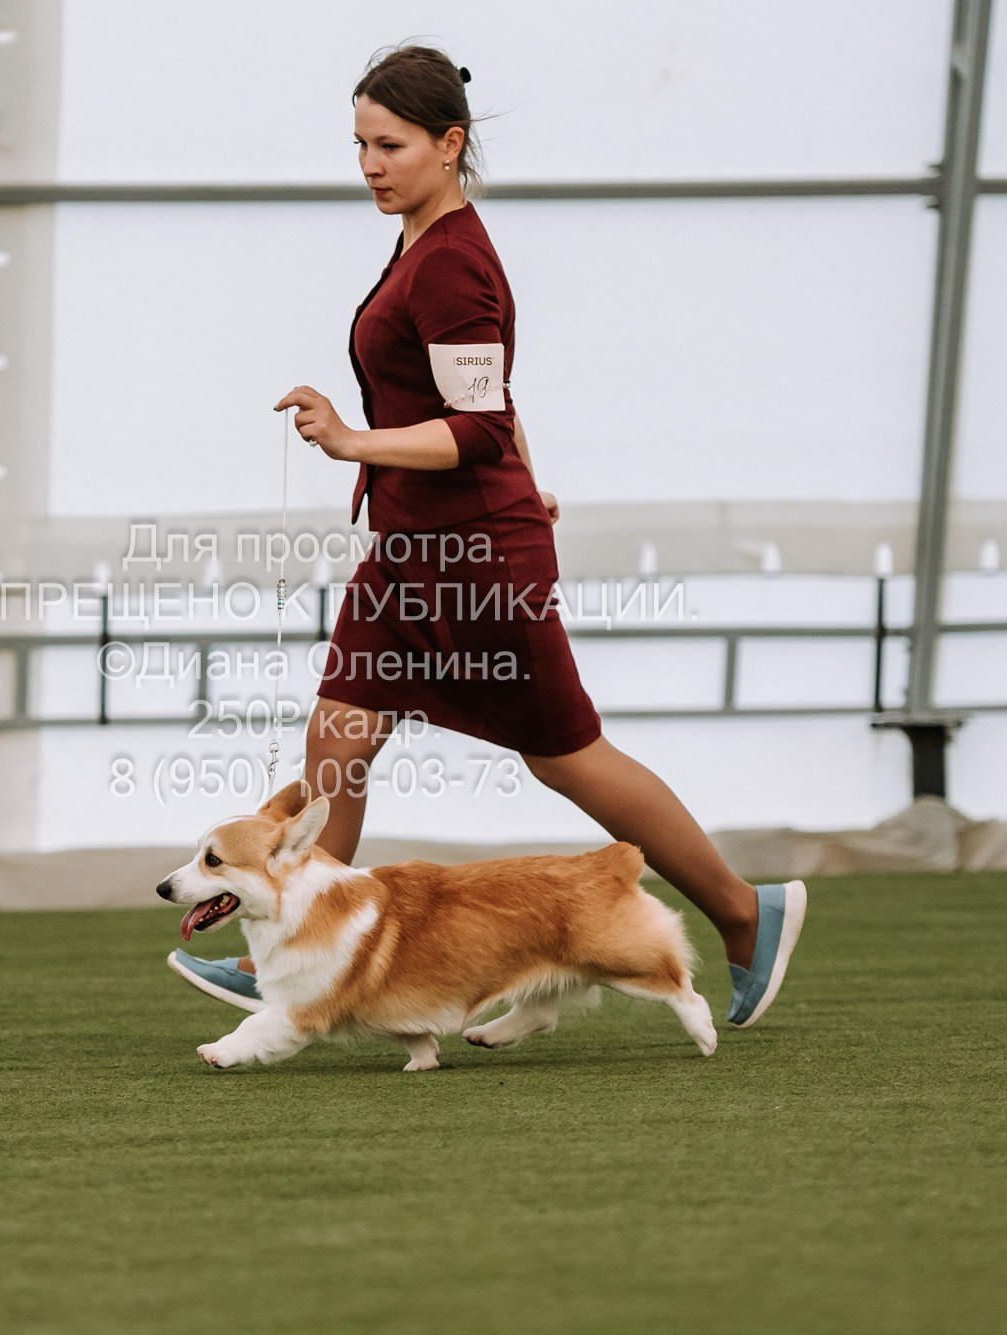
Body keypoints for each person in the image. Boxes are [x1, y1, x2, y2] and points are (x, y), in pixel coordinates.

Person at [167, 44, 805, 1030]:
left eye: (390, 145)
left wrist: (352, 441)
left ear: (449, 143)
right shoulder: (421, 243)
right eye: (359, 146)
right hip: (411, 553)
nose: (369, 165)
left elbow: (473, 426)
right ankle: (295, 957)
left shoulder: (454, 261)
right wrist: (527, 482)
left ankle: (741, 913)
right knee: (337, 736)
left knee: (566, 753)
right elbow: (495, 405)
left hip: (474, 560)